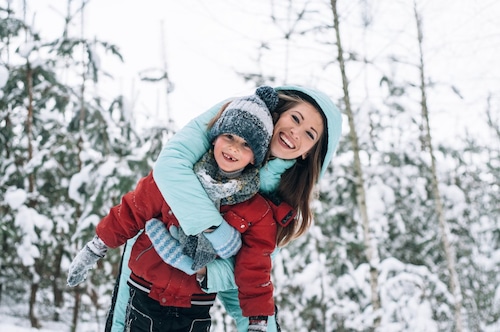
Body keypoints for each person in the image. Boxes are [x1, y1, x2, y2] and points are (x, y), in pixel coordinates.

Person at [105, 85, 343, 332]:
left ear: (310, 152)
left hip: (194, 295)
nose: (296, 132)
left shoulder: (282, 199)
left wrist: (202, 269)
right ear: (278, 114)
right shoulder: (236, 118)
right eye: (295, 118)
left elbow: (252, 273)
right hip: (146, 258)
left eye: (310, 134)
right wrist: (214, 228)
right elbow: (169, 167)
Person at [67, 86, 291, 331]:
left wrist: (257, 321)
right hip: (145, 294)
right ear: (216, 137)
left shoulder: (256, 211)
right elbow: (132, 210)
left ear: (255, 157)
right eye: (229, 137)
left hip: (194, 308)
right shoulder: (178, 179)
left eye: (246, 144)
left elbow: (254, 267)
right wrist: (95, 247)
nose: (234, 148)